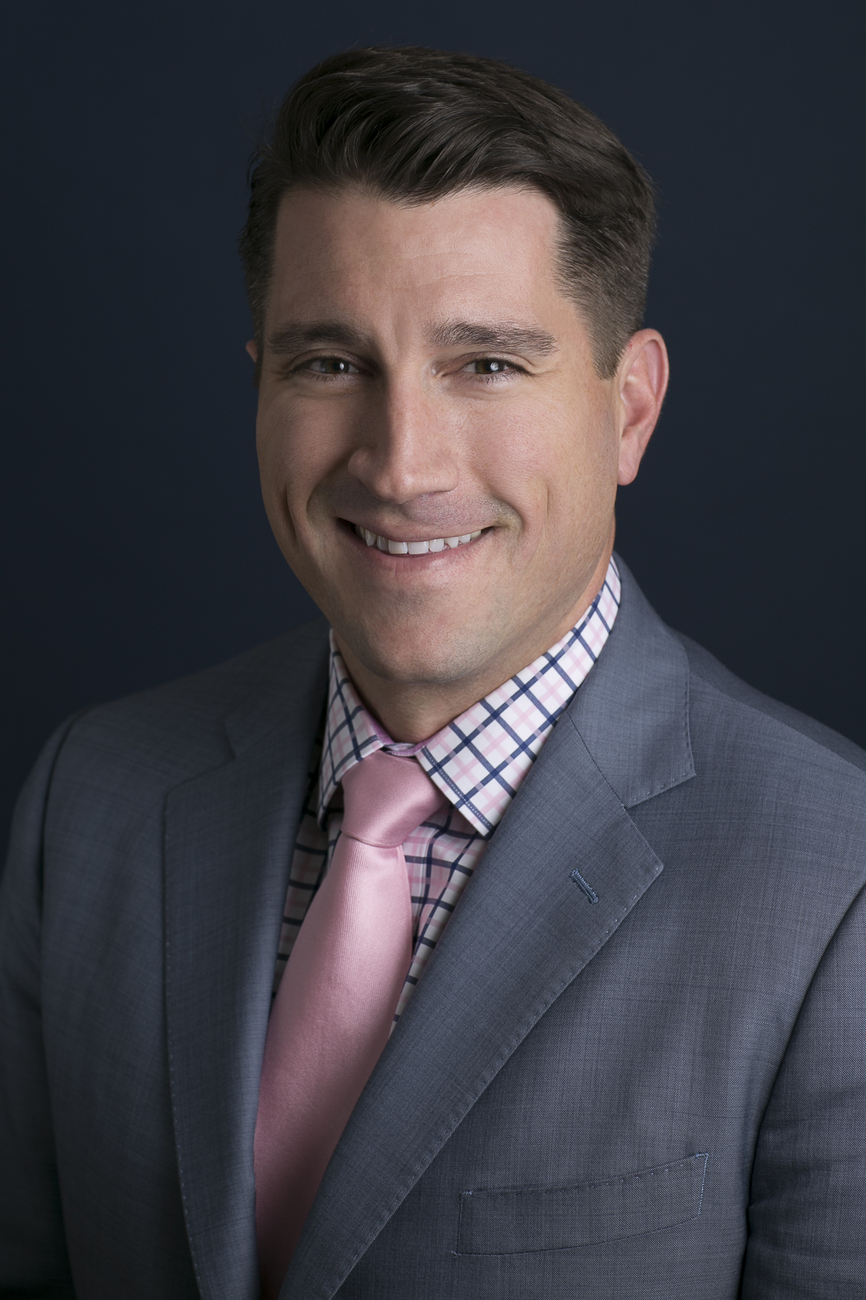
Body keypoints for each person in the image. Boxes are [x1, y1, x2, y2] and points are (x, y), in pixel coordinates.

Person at [2, 44, 865, 1300]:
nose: (400, 465)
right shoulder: (92, 796)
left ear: (628, 409)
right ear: (260, 387)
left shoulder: (834, 887)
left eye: (486, 365)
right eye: (329, 363)